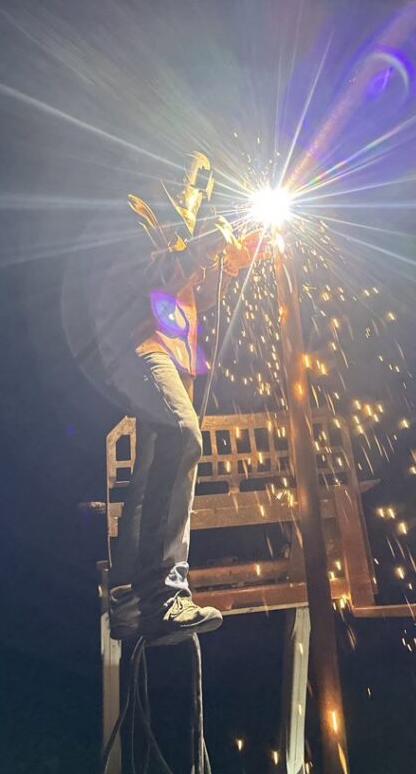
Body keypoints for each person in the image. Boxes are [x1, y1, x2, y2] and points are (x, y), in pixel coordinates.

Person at [98, 152, 264, 642]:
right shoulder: (133, 213)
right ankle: (166, 595)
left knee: (152, 469)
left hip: (175, 354)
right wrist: (201, 245)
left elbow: (189, 295)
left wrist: (229, 264)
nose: (197, 195)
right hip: (136, 343)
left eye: (201, 188)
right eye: (192, 185)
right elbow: (150, 285)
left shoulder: (182, 233)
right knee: (181, 432)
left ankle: (131, 600)